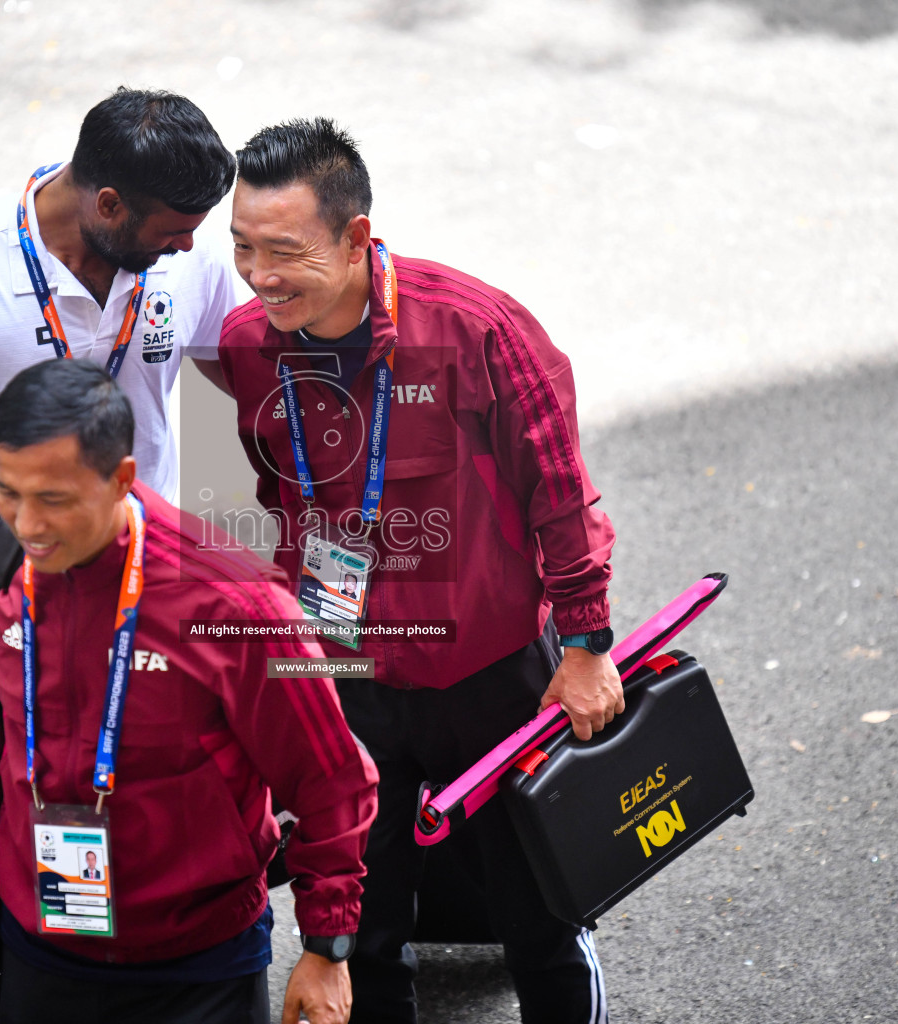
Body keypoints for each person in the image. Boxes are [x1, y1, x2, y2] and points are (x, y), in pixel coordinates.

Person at [214, 119, 621, 1024]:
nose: (259, 273)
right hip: (344, 673)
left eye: (284, 250)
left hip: (489, 674)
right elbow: (245, 514)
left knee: (538, 915)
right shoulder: (245, 347)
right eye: (242, 246)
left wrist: (587, 642)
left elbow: (560, 490)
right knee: (361, 919)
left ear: (356, 237)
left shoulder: (476, 328)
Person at [0, 88, 239, 1020]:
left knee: (142, 804)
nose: (193, 249)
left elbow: (223, 409)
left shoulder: (177, 266)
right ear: (106, 205)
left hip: (140, 593)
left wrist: (242, 584)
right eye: (176, 228)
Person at [0, 358, 378, 1024]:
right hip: (42, 947)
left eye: (54, 499)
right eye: (8, 492)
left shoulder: (234, 604)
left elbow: (334, 779)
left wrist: (328, 946)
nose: (27, 524)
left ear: (122, 480)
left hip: (198, 968)